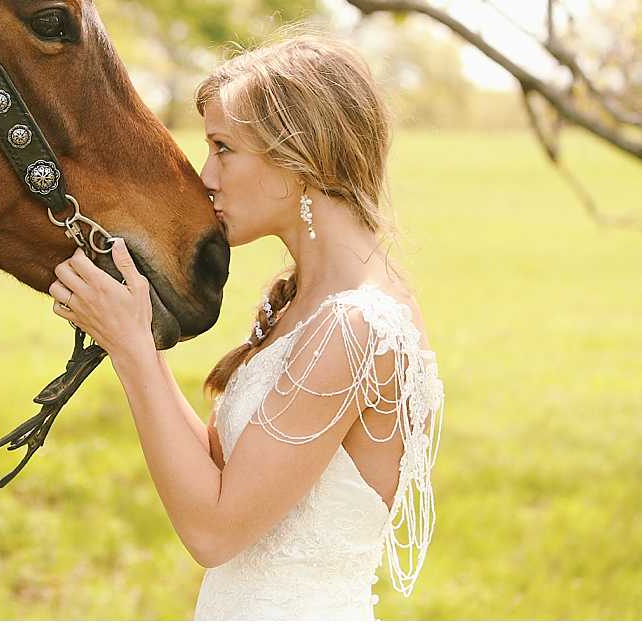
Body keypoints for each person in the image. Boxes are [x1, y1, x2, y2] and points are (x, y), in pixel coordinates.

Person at [49, 34, 444, 619]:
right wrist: (128, 331)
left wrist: (133, 349)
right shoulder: (305, 304)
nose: (205, 176)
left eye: (223, 147)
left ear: (300, 157)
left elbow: (213, 532)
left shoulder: (357, 325)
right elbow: (217, 467)